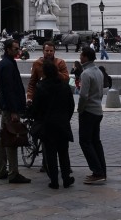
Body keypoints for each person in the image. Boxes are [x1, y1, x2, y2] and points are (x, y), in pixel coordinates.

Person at [30, 59, 75, 189]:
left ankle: (54, 180)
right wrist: (66, 118)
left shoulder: (41, 86)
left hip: (47, 125)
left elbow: (36, 107)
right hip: (62, 124)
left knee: (50, 154)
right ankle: (66, 178)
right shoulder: (64, 86)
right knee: (63, 153)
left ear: (44, 72)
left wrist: (38, 117)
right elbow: (71, 105)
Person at [0, 38, 30, 184]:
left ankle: (2, 169)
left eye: (18, 48)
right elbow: (9, 90)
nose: (18, 51)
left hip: (6, 106)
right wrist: (14, 110)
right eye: (16, 49)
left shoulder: (6, 62)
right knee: (11, 138)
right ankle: (13, 173)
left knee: (3, 137)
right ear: (8, 49)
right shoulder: (8, 65)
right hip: (10, 109)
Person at [77, 46, 106, 184]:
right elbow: (100, 91)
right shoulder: (98, 71)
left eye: (81, 55)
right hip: (98, 110)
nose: (79, 57)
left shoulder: (86, 73)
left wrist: (80, 109)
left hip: (88, 111)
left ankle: (97, 171)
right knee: (96, 142)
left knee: (85, 142)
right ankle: (102, 170)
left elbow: (83, 95)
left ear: (86, 57)